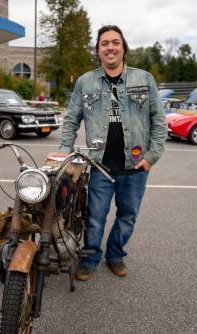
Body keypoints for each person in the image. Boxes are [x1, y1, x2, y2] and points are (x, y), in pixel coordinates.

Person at [58, 25, 167, 281]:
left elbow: (159, 123)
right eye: (104, 43)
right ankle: (91, 257)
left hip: (135, 168)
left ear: (123, 48)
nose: (110, 47)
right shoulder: (85, 82)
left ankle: (115, 255)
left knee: (127, 216)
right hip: (100, 167)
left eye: (115, 42)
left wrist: (151, 157)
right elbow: (71, 120)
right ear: (98, 51)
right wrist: (63, 153)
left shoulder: (145, 79)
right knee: (95, 216)